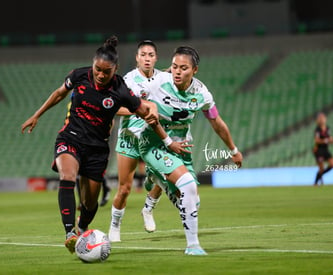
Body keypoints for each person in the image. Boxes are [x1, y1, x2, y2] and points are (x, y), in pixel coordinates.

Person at [21, 36, 187, 254]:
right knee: (67, 176)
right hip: (70, 137)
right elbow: (60, 93)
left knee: (91, 203)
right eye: (97, 69)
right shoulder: (79, 75)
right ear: (93, 64)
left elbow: (144, 112)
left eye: (106, 71)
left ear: (115, 69)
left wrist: (166, 139)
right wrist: (37, 115)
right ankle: (70, 233)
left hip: (97, 148)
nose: (100, 75)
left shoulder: (120, 89)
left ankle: (82, 227)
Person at [138, 46, 243, 256]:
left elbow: (216, 122)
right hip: (153, 142)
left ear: (194, 70)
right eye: (174, 66)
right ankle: (193, 246)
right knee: (186, 185)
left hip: (181, 148)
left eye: (183, 68)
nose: (177, 72)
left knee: (193, 199)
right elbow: (133, 99)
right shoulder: (158, 83)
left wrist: (233, 149)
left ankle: (158, 177)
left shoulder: (202, 94)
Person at [108, 40, 164, 242]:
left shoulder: (164, 78)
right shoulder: (127, 80)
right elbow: (114, 108)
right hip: (129, 138)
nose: (147, 58)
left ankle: (148, 209)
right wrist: (139, 111)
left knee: (165, 177)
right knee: (124, 189)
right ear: (137, 58)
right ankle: (115, 225)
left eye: (150, 55)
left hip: (153, 138)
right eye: (143, 55)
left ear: (155, 58)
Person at [313, 112, 333, 185]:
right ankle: (316, 183)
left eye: (323, 118)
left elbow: (329, 138)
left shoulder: (327, 128)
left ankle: (320, 176)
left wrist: (331, 140)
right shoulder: (317, 129)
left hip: (325, 149)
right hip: (319, 150)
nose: (322, 120)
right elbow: (316, 140)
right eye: (320, 118)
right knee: (321, 168)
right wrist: (326, 140)